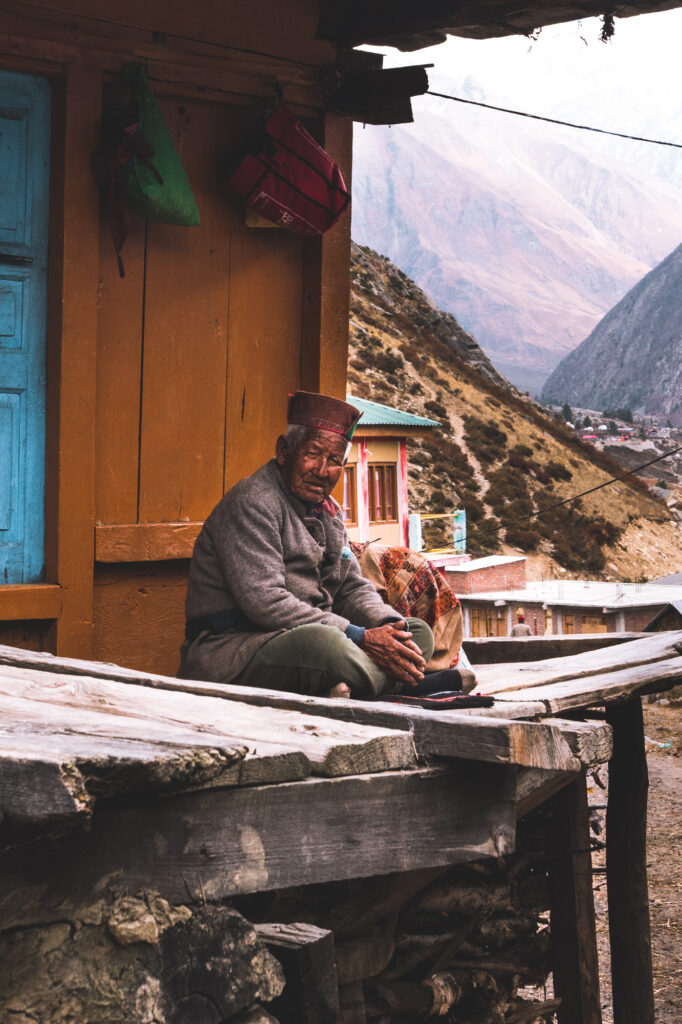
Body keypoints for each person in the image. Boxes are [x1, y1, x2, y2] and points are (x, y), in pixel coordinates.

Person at [179, 391, 468, 699]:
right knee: (325, 647)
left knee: (413, 633)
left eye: (334, 461)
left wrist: (387, 628)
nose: (322, 470)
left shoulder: (327, 511)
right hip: (240, 646)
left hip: (321, 632)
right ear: (284, 451)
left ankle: (359, 682)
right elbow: (266, 603)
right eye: (313, 454)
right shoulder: (252, 503)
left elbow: (351, 587)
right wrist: (359, 636)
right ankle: (405, 684)